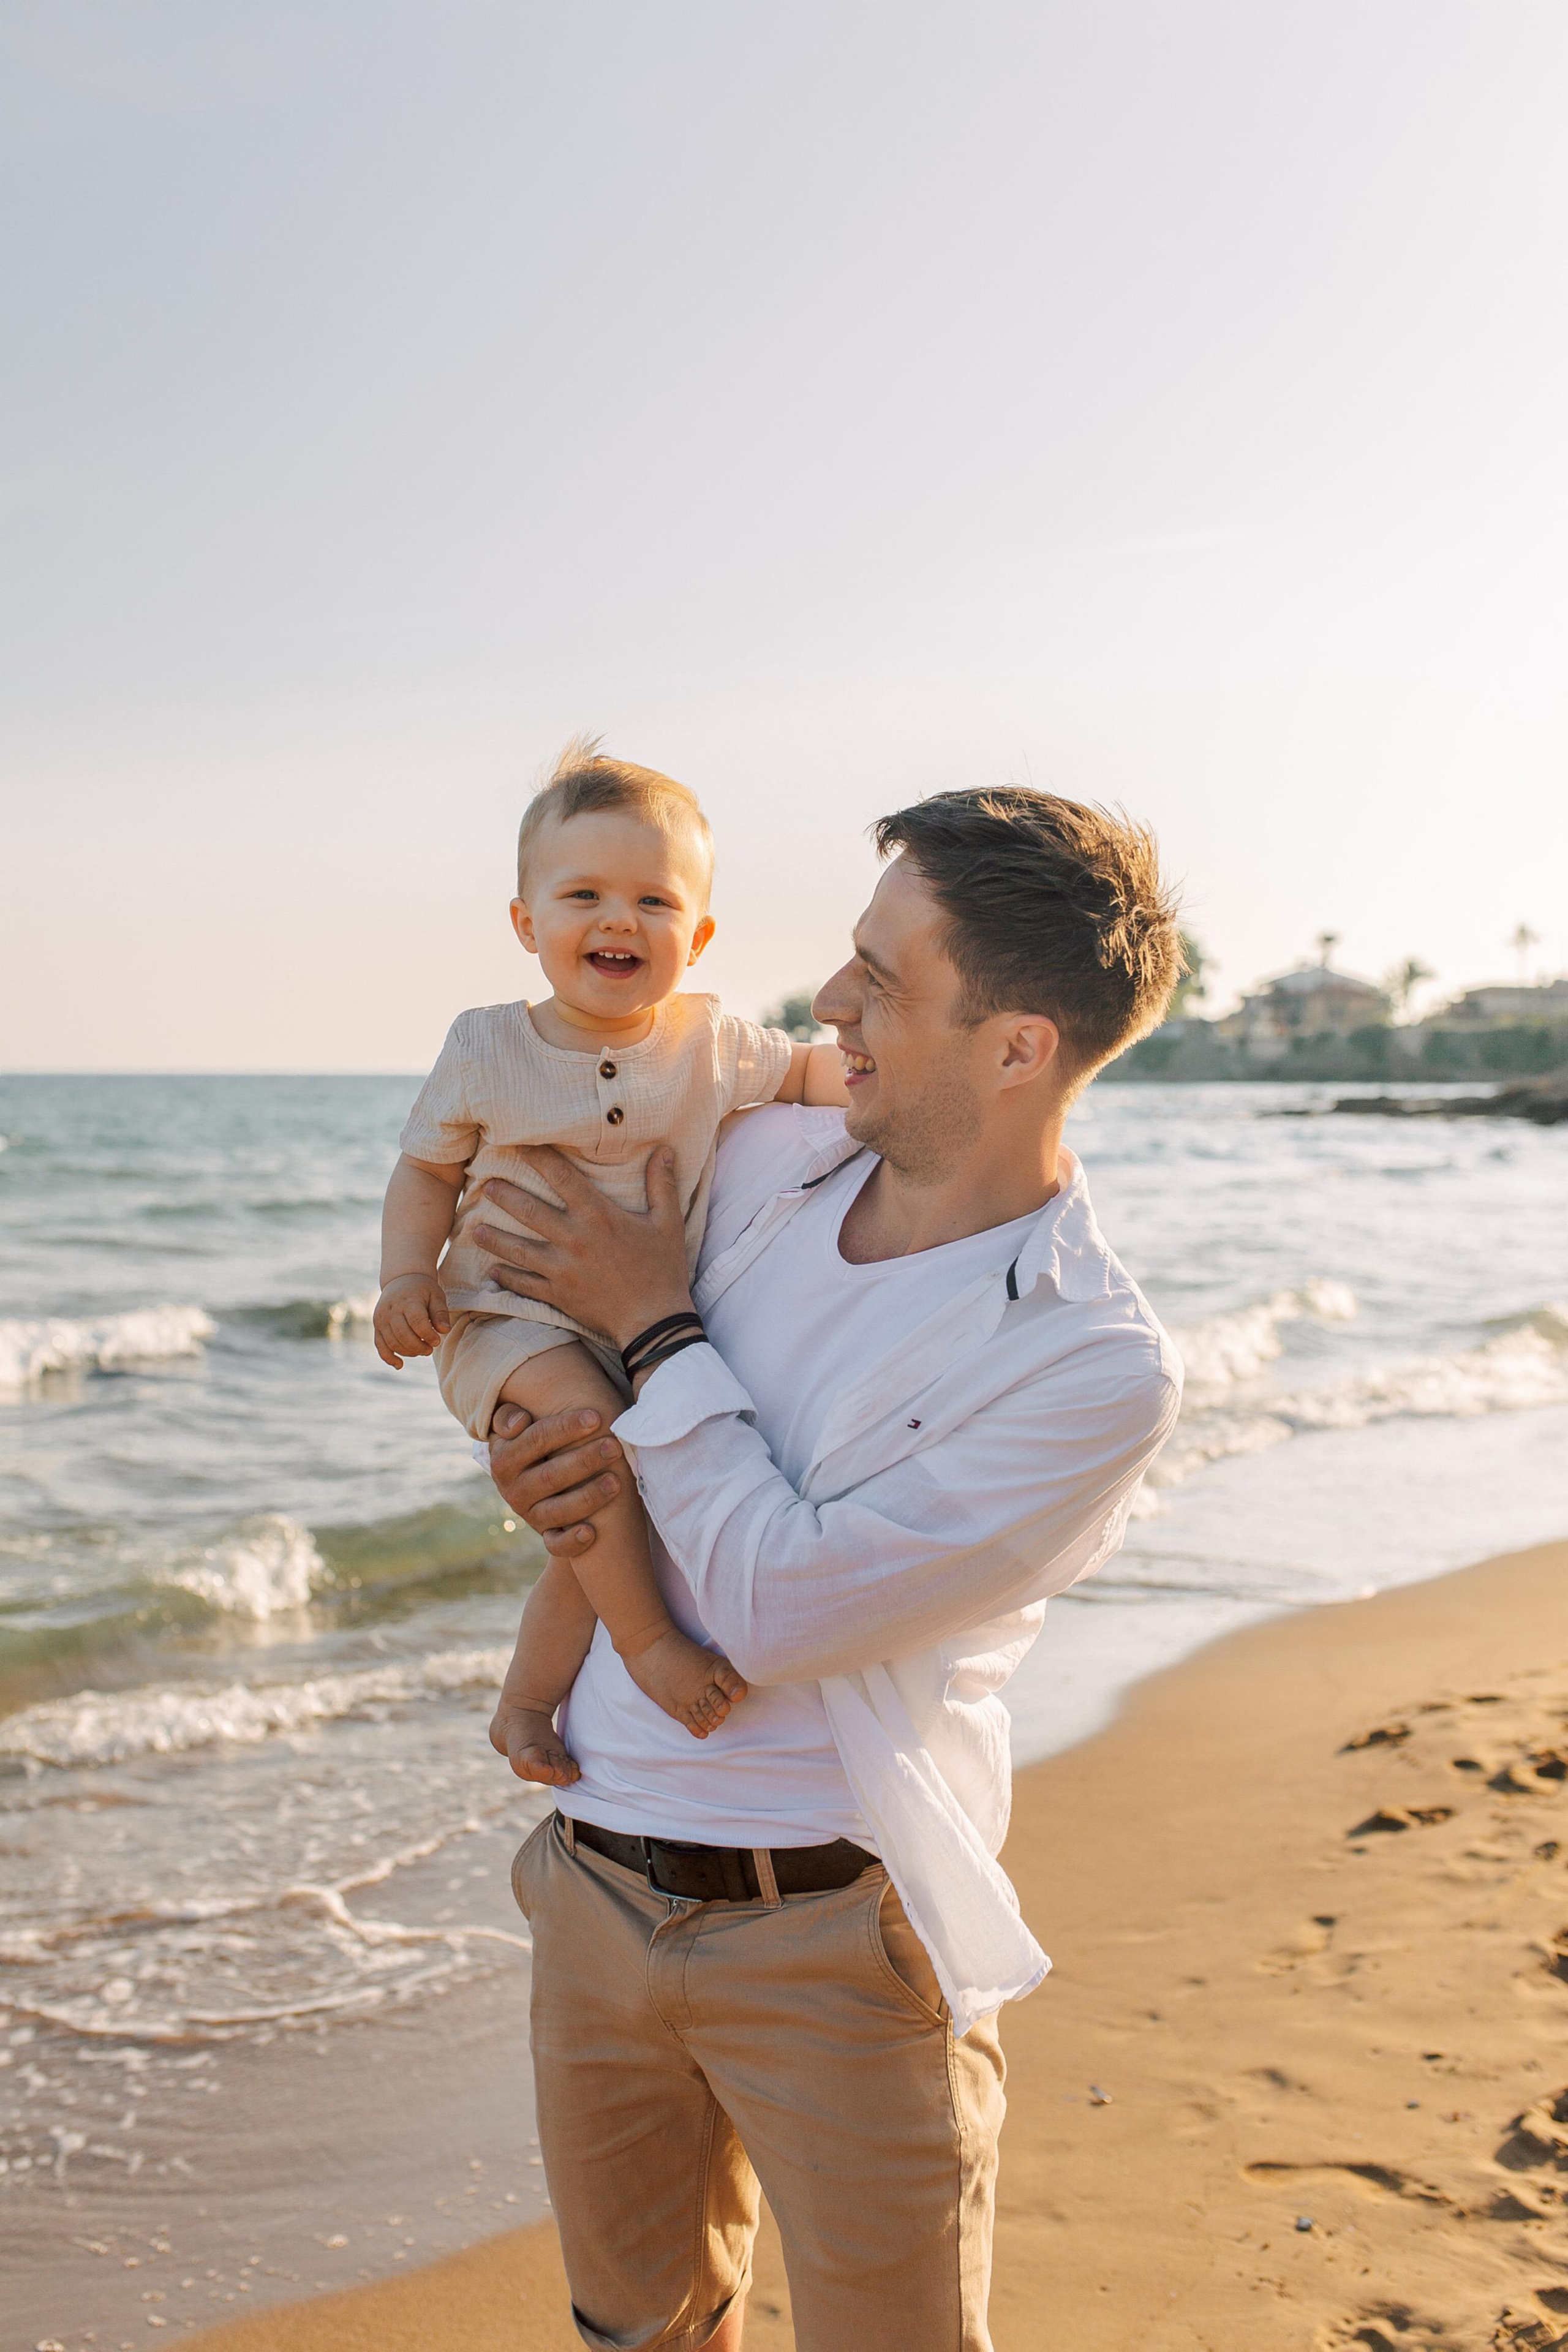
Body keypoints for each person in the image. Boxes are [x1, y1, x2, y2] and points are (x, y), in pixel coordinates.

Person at [476, 785, 1187, 2352]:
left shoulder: (1086, 1364)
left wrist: (656, 1334)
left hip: (837, 1942)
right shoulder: (760, 1164)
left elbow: (772, 1604)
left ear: (1017, 1049)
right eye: (847, 958)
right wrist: (539, 1437)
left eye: (885, 976)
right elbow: (559, 1341)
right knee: (632, 2334)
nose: (830, 1001)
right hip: (593, 1879)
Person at [371, 742, 848, 1775]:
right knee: (591, 1456)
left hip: (634, 1323)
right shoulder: (487, 1045)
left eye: (655, 901)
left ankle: (527, 1705)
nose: (618, 920)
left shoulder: (712, 1043)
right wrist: (405, 1279)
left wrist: (897, 1082)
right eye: (582, 893)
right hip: (508, 1317)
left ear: (701, 933)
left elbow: (814, 1073)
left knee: (608, 1515)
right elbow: (424, 1171)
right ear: (525, 923)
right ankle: (650, 1651)